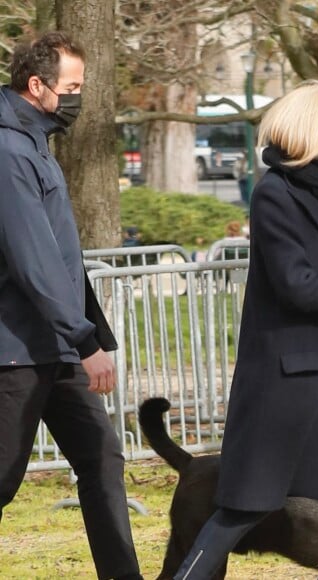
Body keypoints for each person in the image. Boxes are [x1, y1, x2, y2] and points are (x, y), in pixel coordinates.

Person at [173, 79, 318, 580]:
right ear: (315, 135)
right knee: (248, 505)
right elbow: (297, 284)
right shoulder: (275, 194)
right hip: (292, 379)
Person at [0, 32, 142, 580]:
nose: (79, 98)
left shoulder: (35, 143)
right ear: (37, 86)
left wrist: (91, 333)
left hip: (58, 346)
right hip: (16, 351)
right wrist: (84, 340)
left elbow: (63, 256)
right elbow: (32, 263)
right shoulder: (10, 151)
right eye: (73, 87)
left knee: (102, 460)